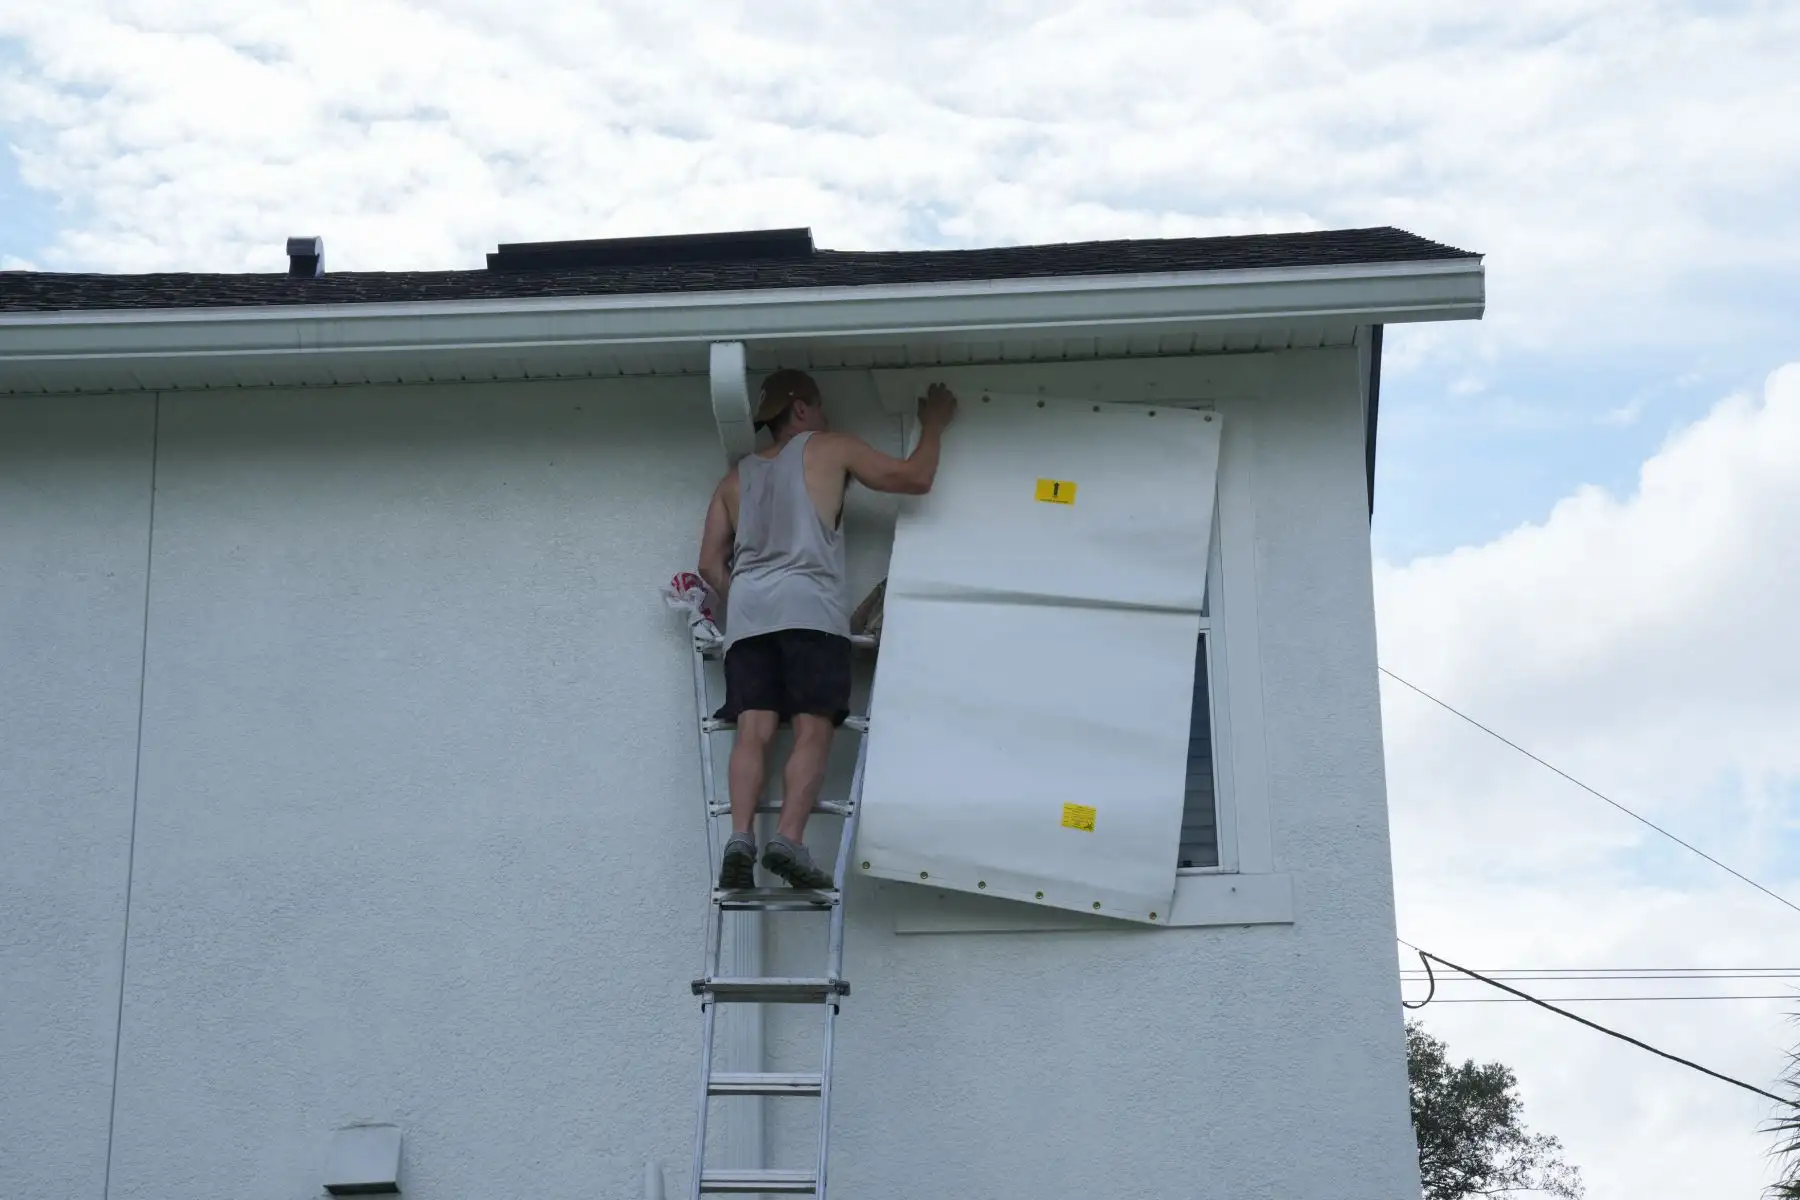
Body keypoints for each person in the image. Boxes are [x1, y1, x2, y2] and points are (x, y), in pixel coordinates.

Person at [697, 369, 958, 889]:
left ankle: (740, 838)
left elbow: (708, 564)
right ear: (801, 408)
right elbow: (914, 478)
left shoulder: (734, 480)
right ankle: (788, 839)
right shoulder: (831, 447)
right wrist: (933, 425)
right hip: (810, 611)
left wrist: (747, 600)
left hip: (748, 622)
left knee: (753, 730)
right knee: (813, 728)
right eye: (819, 407)